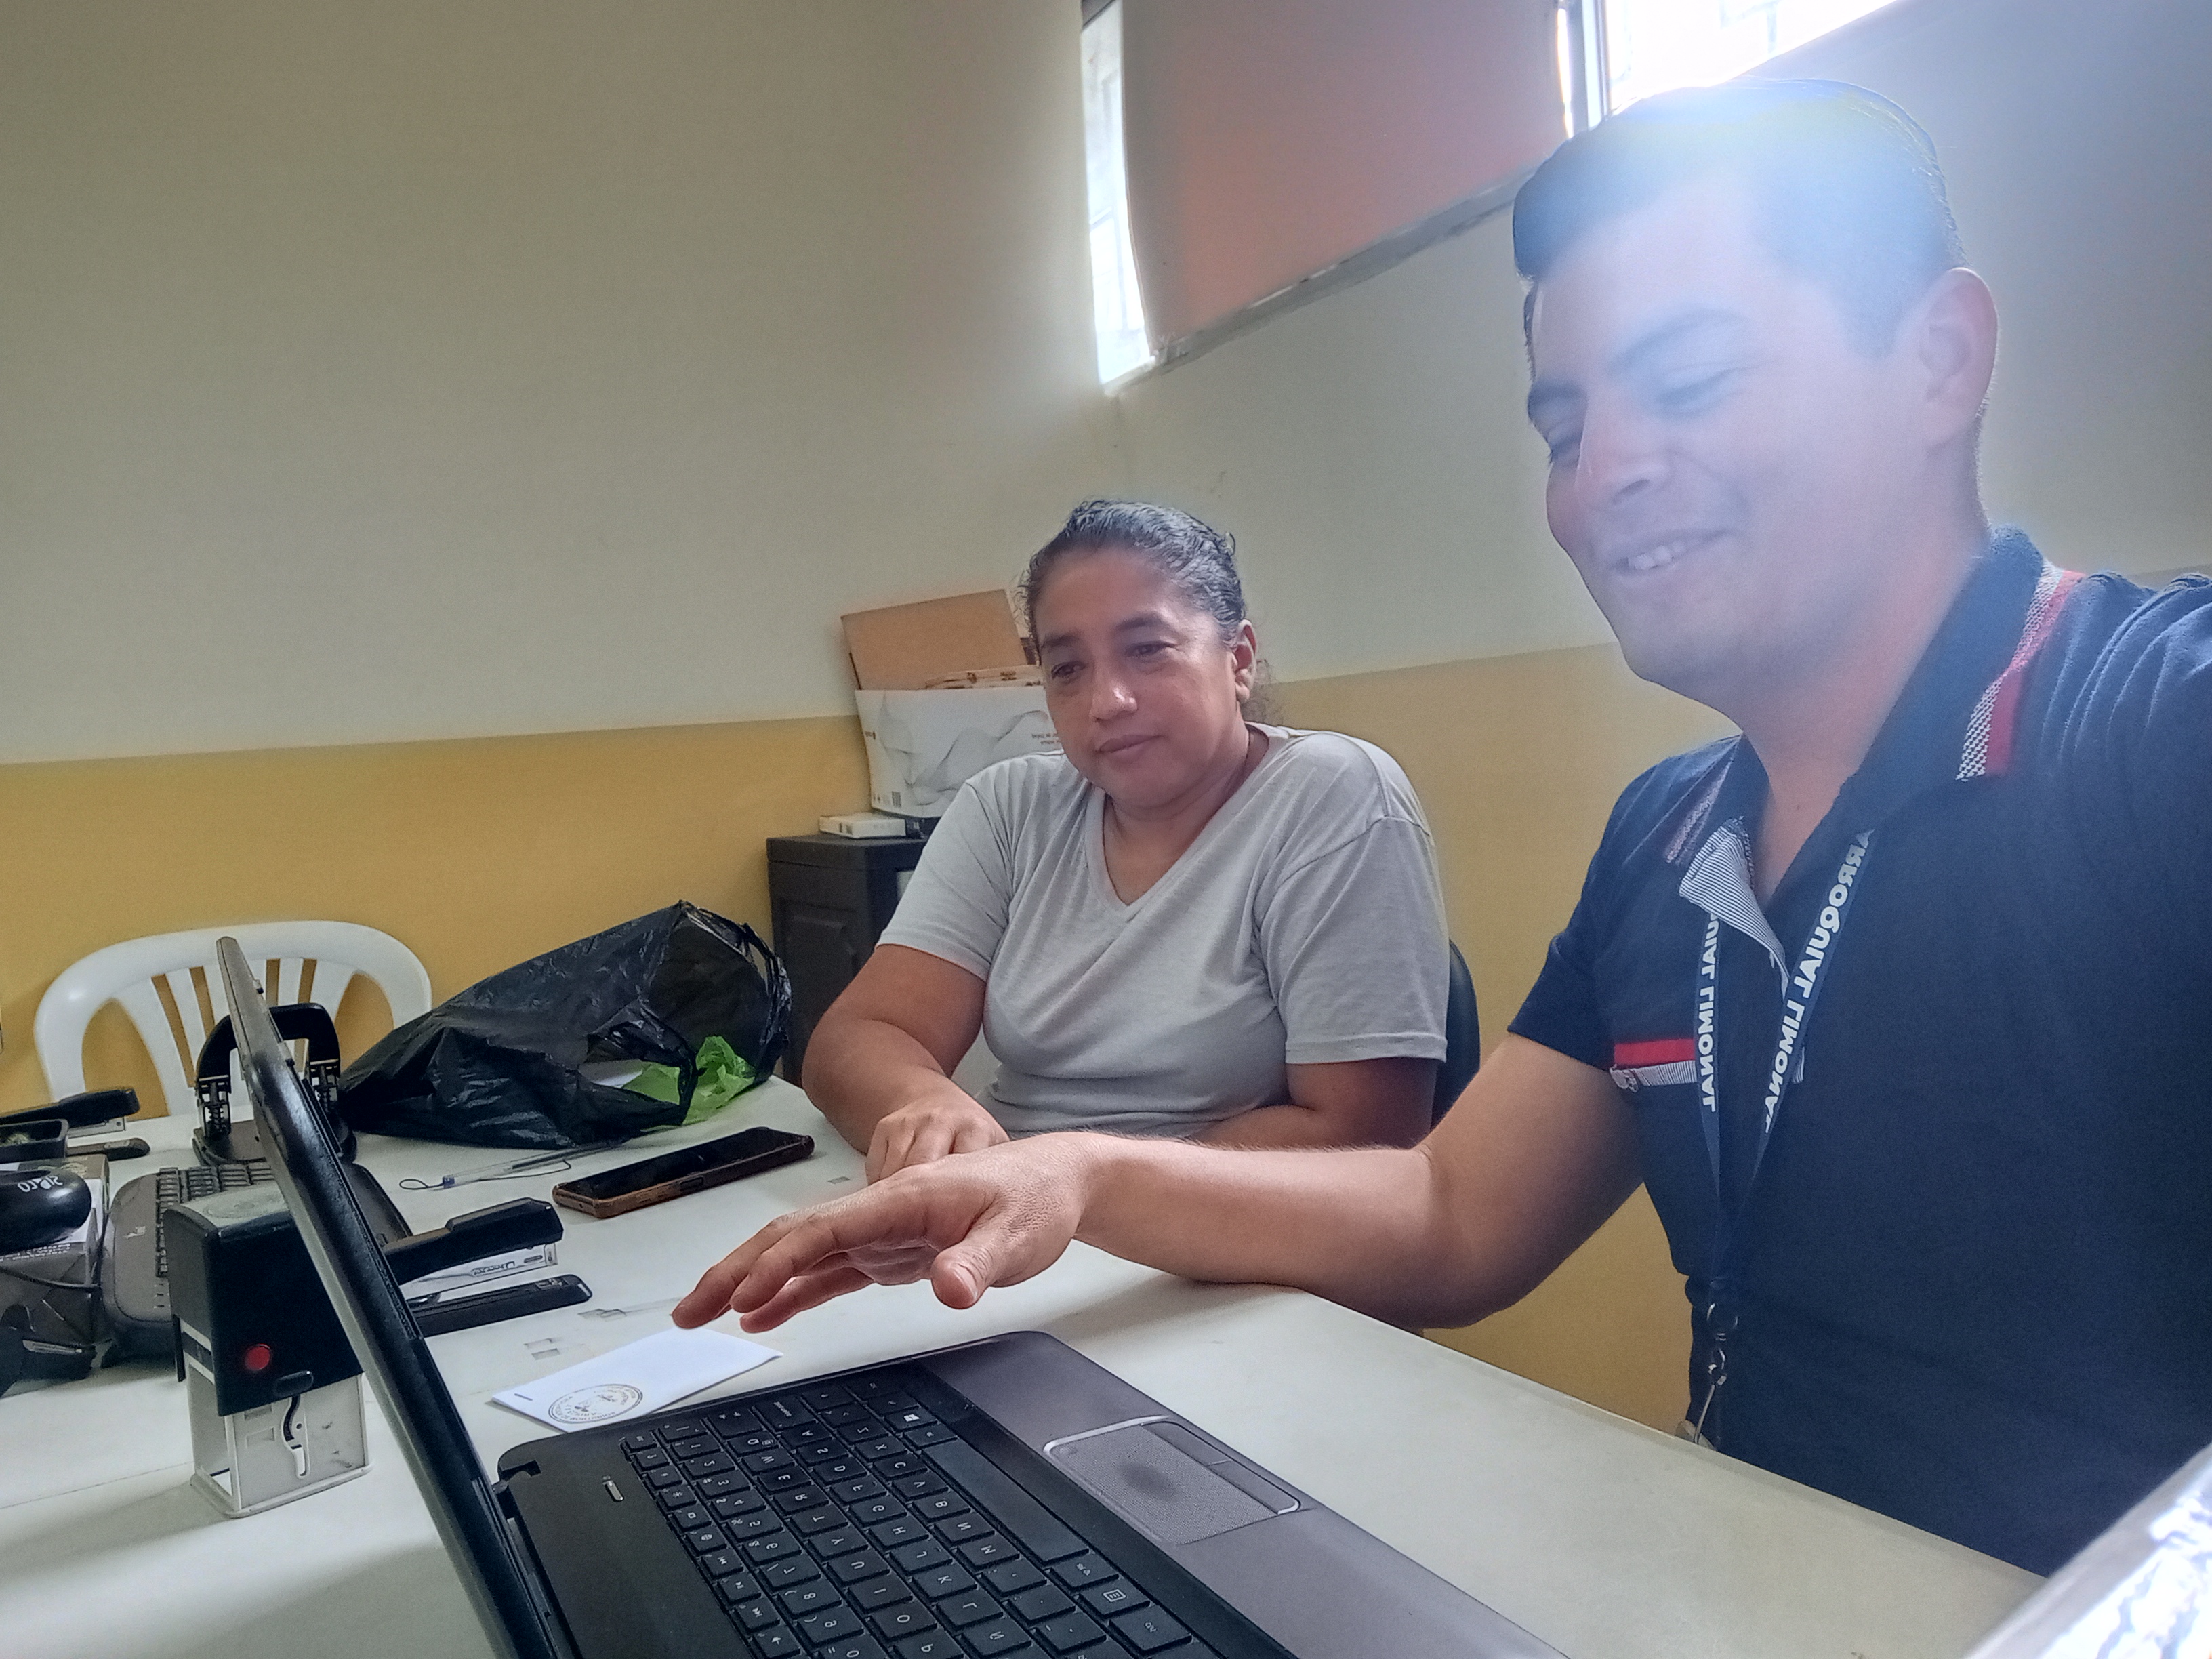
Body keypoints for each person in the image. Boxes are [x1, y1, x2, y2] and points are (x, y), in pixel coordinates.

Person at [678, 82, 2212, 1574]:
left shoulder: (2148, 724)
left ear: (1938, 359)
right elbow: (1446, 1206)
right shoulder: (1667, 835)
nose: (1606, 472)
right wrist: (1065, 1177)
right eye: (1564, 426)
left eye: (1688, 381)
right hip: (1746, 1568)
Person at [808, 500, 1451, 1182]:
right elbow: (862, 1034)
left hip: (1219, 1226)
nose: (1106, 701)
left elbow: (1363, 1132)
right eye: (1067, 669)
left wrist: (1074, 1183)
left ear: (1239, 661)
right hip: (1012, 1203)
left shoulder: (1331, 796)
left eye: (1147, 650)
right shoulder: (1008, 807)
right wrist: (923, 1101)